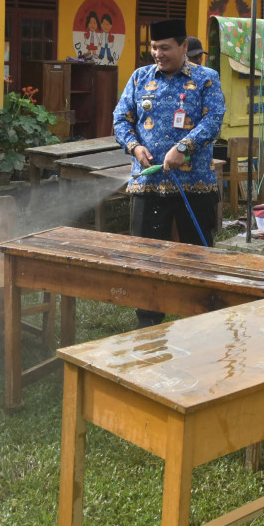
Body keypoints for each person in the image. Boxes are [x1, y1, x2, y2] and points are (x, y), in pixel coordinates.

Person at [113, 18, 225, 328]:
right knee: (147, 258)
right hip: (148, 187)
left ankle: (200, 320)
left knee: (197, 257)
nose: (158, 54)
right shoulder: (139, 78)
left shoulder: (206, 79)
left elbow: (214, 119)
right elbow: (121, 119)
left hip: (194, 186)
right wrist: (134, 147)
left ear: (184, 47)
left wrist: (185, 147)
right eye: (153, 48)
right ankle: (149, 324)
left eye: (165, 48)